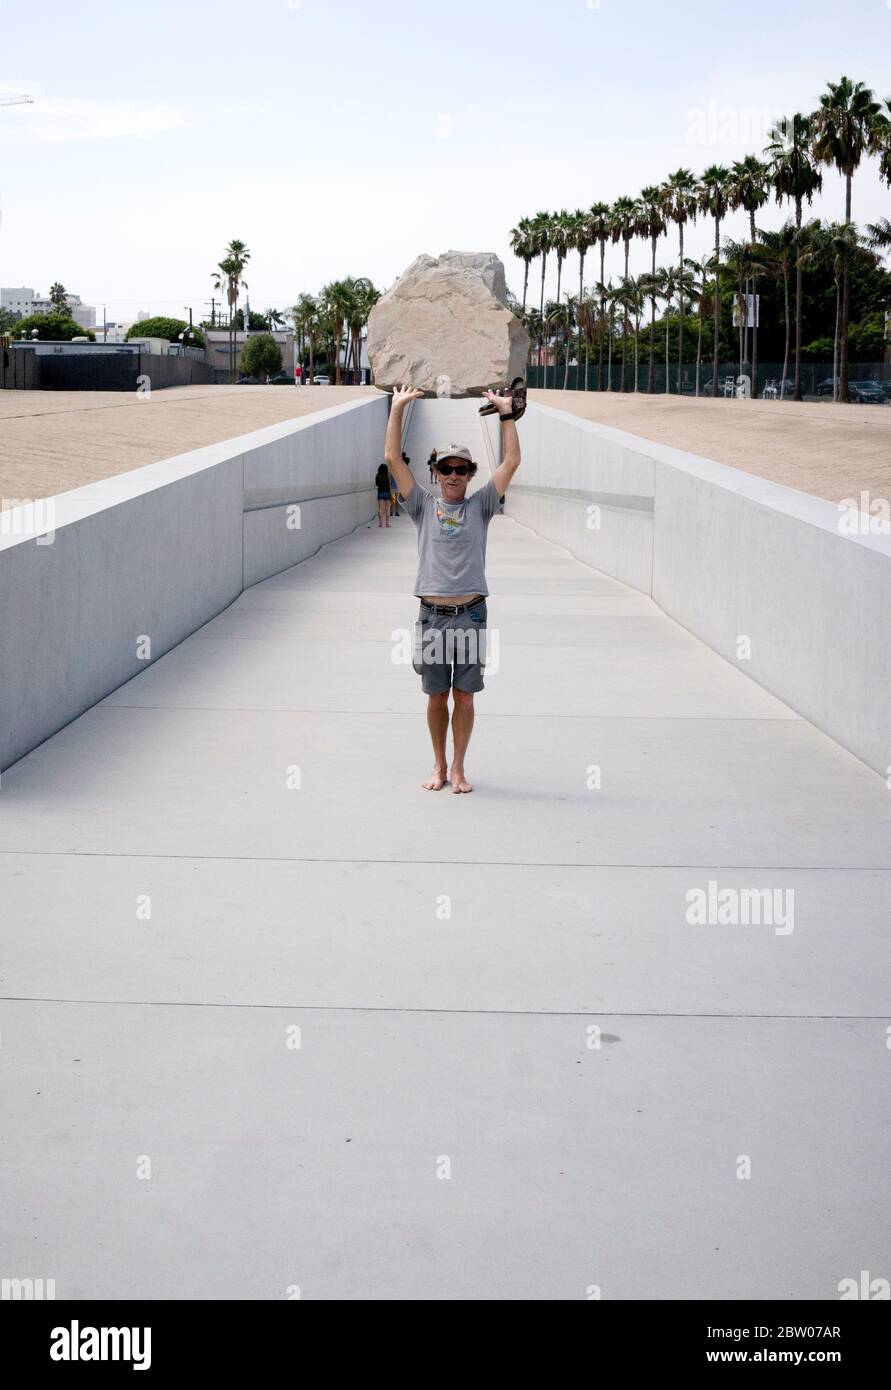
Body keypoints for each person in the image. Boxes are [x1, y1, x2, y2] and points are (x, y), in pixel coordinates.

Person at [384, 383, 522, 793]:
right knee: (434, 696)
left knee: (464, 697)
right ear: (436, 473)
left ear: (471, 474)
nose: (454, 476)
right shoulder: (423, 505)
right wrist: (397, 408)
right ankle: (439, 766)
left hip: (471, 615)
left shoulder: (481, 505)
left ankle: (460, 768)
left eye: (462, 469)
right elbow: (392, 457)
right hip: (431, 616)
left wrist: (507, 413)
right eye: (446, 469)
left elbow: (512, 460)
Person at [375, 463, 391, 527]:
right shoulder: (387, 476)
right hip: (387, 492)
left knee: (380, 509)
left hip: (380, 492)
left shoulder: (377, 476)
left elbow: (376, 484)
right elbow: (389, 485)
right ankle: (387, 523)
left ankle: (381, 523)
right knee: (388, 509)